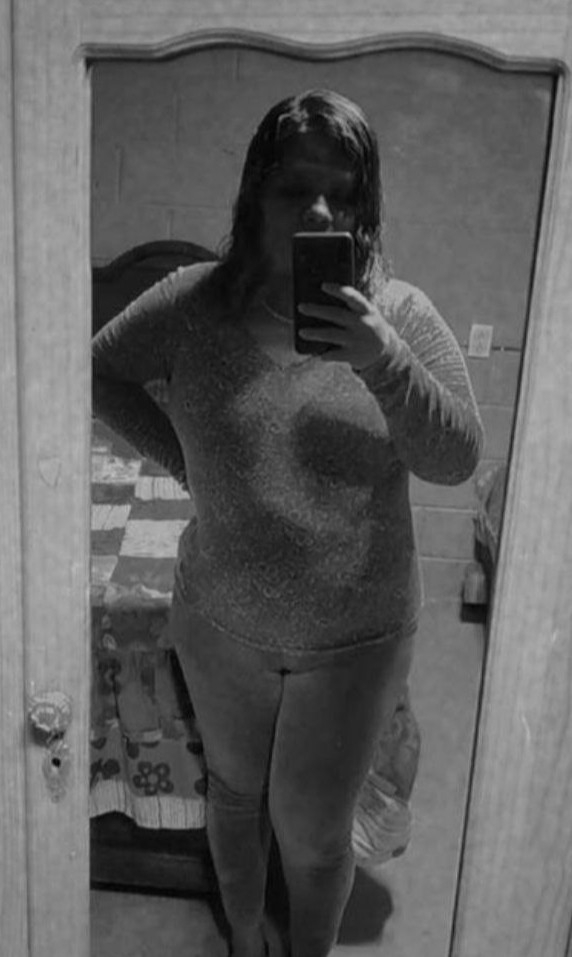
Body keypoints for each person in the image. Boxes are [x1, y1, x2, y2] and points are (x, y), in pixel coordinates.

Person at [92, 88, 484, 957]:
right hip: (221, 618)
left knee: (312, 834)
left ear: (365, 206)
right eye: (295, 187)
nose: (319, 211)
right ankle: (242, 935)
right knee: (233, 796)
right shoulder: (191, 303)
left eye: (342, 193)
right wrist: (183, 459)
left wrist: (381, 360)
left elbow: (458, 455)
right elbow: (100, 370)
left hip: (356, 633)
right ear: (254, 192)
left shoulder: (400, 315)